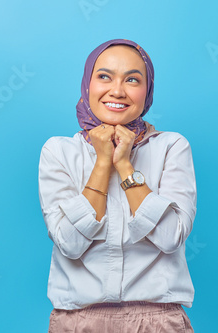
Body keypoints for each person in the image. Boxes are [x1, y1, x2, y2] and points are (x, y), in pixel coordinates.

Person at [39, 39, 197, 333]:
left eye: (133, 80)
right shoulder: (58, 151)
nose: (117, 91)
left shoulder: (172, 146)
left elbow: (169, 237)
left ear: (146, 92)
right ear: (87, 84)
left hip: (158, 322)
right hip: (77, 322)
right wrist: (102, 162)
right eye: (104, 76)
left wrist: (124, 164)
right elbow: (70, 244)